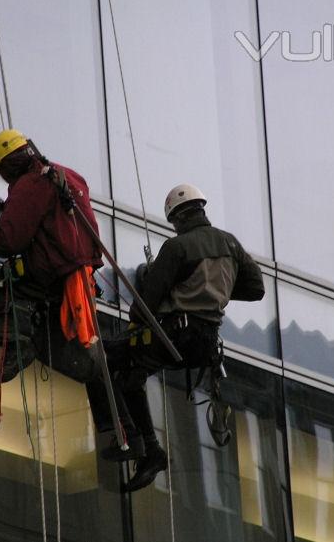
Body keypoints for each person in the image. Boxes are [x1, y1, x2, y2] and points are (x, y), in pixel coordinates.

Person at [90, 184, 265, 492]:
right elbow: (256, 289)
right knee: (131, 376)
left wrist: (165, 285)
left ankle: (123, 436)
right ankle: (151, 452)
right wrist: (213, 289)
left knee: (96, 358)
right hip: (204, 344)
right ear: (201, 210)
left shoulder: (177, 247)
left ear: (177, 219)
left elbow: (143, 309)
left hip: (174, 334)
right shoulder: (230, 244)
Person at [0, 129, 103, 405]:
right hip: (75, 272)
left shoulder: (30, 184)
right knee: (6, 292)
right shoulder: (67, 176)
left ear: (4, 166)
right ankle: (19, 345)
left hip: (45, 270)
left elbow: (10, 241)